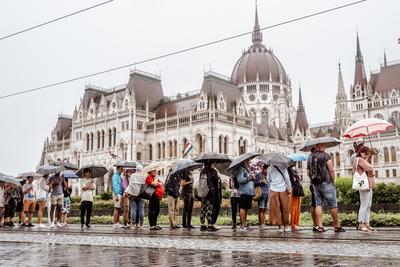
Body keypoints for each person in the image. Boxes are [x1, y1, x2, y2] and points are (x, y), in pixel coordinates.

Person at [308, 143, 345, 233]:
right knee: (332, 204)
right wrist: (333, 182)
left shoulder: (310, 157)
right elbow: (331, 170)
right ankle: (337, 225)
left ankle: (320, 226)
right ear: (321, 146)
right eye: (324, 146)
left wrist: (313, 181)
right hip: (326, 182)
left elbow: (308, 171)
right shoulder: (325, 155)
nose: (325, 147)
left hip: (315, 183)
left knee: (318, 204)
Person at [353, 146, 375, 232]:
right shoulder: (360, 159)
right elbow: (370, 168)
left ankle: (366, 223)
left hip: (368, 185)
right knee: (364, 204)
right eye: (366, 154)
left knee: (368, 205)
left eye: (368, 154)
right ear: (361, 152)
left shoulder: (362, 159)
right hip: (364, 185)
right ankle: (361, 223)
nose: (367, 156)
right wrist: (370, 164)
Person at [267, 165, 291, 232]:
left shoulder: (269, 168)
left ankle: (280, 227)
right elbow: (287, 178)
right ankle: (286, 226)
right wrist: (289, 188)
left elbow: (268, 179)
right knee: (285, 208)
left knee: (276, 209)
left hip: (273, 189)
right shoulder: (283, 167)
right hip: (283, 189)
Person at [199, 162, 220, 232]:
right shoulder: (213, 171)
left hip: (202, 193)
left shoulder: (202, 171)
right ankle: (210, 225)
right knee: (209, 209)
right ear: (211, 164)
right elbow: (216, 181)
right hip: (210, 193)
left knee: (203, 209)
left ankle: (202, 225)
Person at [236, 159, 255, 232]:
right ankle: (242, 226)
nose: (250, 162)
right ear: (244, 161)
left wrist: (252, 178)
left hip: (248, 192)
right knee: (243, 208)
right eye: (248, 161)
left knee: (246, 208)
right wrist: (250, 178)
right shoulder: (240, 169)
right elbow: (240, 180)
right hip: (243, 192)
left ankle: (244, 224)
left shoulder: (247, 169)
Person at [255, 164, 269, 230]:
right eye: (267, 170)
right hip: (261, 194)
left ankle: (264, 224)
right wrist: (260, 181)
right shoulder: (259, 175)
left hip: (267, 194)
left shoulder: (267, 176)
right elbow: (254, 183)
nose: (268, 171)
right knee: (261, 209)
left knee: (265, 210)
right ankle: (261, 225)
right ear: (263, 169)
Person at [288, 166, 302, 231]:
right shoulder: (291, 170)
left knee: (295, 207)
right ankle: (293, 224)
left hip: (294, 190)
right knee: (295, 208)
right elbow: (294, 180)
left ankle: (294, 224)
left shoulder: (291, 169)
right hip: (294, 190)